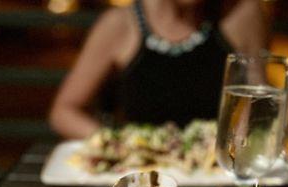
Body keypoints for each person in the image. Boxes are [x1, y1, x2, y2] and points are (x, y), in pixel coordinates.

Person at [49, 0, 266, 139]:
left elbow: (257, 99)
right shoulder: (119, 24)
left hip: (215, 174)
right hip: (141, 178)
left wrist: (236, 149)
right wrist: (118, 144)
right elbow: (63, 111)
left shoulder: (241, 13)